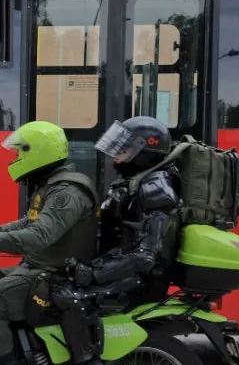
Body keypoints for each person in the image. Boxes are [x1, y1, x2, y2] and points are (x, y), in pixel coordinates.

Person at [0, 120, 99, 365]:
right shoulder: (53, 186)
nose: (16, 157)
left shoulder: (66, 192)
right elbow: (26, 223)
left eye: (20, 152)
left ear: (39, 151)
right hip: (39, 266)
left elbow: (38, 235)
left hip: (53, 272)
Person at [51, 116, 183, 364]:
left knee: (68, 297)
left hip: (141, 280)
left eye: (125, 149)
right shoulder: (132, 182)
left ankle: (88, 359)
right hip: (124, 270)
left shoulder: (155, 188)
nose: (117, 156)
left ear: (145, 151)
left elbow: (146, 255)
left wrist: (93, 273)